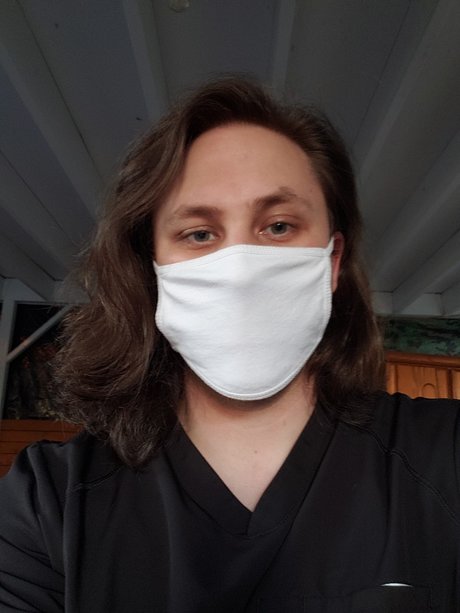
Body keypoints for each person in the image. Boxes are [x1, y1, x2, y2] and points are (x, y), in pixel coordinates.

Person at [0, 77, 458, 612]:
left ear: (332, 262)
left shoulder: (445, 455)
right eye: (199, 233)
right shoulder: (48, 501)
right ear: (151, 269)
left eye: (278, 226)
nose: (240, 271)